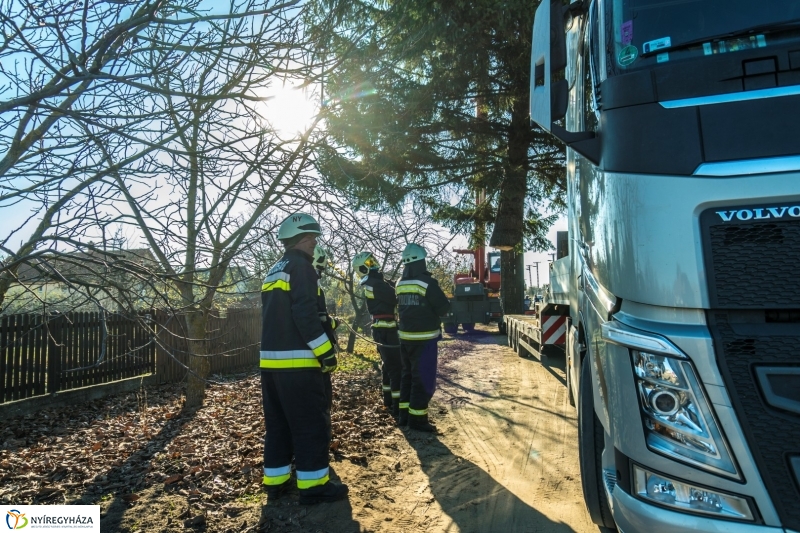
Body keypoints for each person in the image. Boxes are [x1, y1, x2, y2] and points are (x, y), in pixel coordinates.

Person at [260, 213, 348, 504]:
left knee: (279, 425)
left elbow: (284, 316)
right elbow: (304, 315)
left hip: (272, 367)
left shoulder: (275, 269)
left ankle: (277, 481)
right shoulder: (302, 268)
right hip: (299, 365)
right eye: (311, 238)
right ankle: (313, 487)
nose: (314, 244)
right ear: (299, 239)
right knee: (311, 424)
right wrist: (327, 354)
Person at [395, 243, 450, 432]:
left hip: (404, 339)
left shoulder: (400, 283)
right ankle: (418, 420)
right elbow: (443, 308)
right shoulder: (427, 283)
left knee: (407, 376)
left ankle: (404, 416)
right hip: (424, 340)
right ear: (422, 261)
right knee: (422, 379)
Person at [352, 251, 402, 419]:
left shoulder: (375, 282)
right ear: (362, 268)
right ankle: (398, 408)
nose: (373, 265)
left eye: (372, 261)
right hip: (386, 329)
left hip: (382, 328)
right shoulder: (374, 283)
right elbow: (395, 297)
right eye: (368, 263)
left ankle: (388, 400)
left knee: (387, 366)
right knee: (395, 368)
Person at [313, 245, 338, 443]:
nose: (320, 272)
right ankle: (323, 439)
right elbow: (317, 321)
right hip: (315, 356)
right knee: (322, 398)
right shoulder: (311, 286)